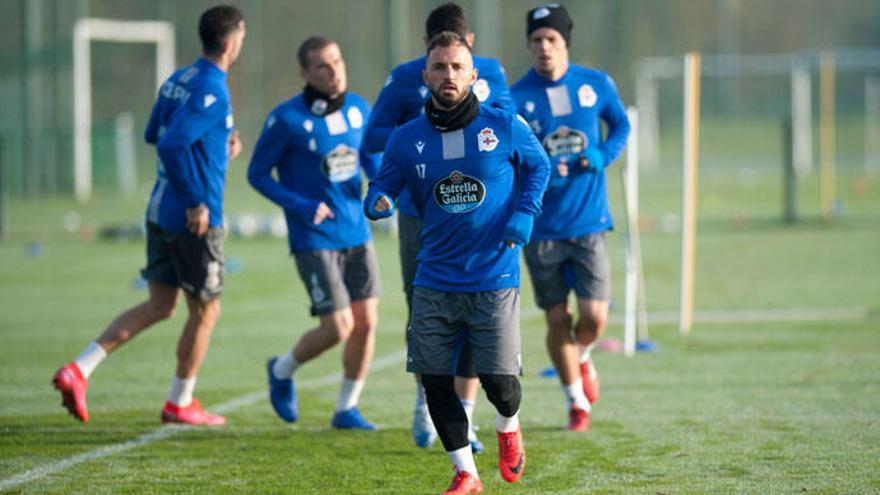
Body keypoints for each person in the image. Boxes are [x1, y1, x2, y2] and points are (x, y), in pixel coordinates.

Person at [365, 32, 549, 495]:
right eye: (439, 67)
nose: (448, 75)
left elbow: (539, 166)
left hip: (493, 274)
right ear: (424, 75)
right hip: (434, 277)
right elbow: (382, 182)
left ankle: (509, 426)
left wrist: (525, 214)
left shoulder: (504, 125)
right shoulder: (407, 138)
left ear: (474, 76)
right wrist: (379, 198)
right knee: (435, 379)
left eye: (457, 67)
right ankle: (465, 472)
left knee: (499, 383)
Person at [51, 6, 246, 426]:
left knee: (161, 304)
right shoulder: (214, 88)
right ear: (231, 43)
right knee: (205, 312)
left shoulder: (179, 79)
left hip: (159, 209)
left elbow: (153, 132)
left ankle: (78, 370)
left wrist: (217, 145)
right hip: (192, 219)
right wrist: (197, 199)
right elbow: (172, 144)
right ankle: (180, 401)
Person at [248, 36, 382, 430]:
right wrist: (302, 205)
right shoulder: (286, 120)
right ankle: (282, 369)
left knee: (368, 322)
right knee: (337, 328)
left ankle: (346, 408)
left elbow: (370, 160)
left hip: (357, 233)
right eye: (323, 65)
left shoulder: (359, 109)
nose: (334, 70)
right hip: (314, 238)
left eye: (337, 61)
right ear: (306, 73)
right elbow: (257, 174)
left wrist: (381, 189)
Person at [510, 4, 630, 432]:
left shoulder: (594, 84)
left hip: (589, 222)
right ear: (529, 45)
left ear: (565, 44)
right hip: (542, 228)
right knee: (557, 318)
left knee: (595, 317)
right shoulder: (516, 97)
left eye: (552, 40)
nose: (544, 48)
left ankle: (581, 356)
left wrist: (602, 154)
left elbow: (620, 127)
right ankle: (576, 402)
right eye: (536, 40)